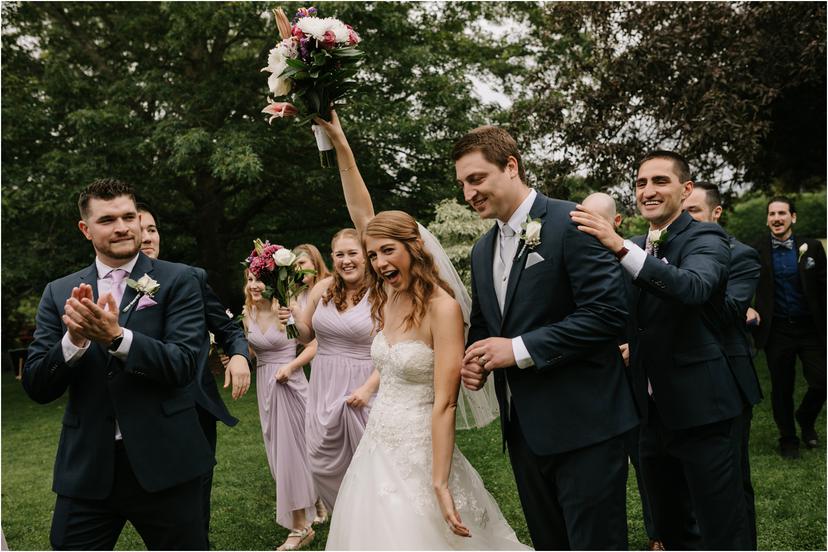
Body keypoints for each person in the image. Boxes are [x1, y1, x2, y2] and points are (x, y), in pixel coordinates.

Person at [310, 111, 528, 550]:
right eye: (372, 255)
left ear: (414, 248)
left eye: (388, 251)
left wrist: (440, 481)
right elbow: (360, 210)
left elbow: (446, 402)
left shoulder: (442, 309)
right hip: (376, 449)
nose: (379, 263)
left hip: (423, 449)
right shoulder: (385, 295)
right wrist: (340, 142)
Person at [454, 126, 638, 550]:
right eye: (463, 184)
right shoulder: (482, 250)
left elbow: (608, 314)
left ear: (512, 167)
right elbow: (487, 323)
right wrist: (477, 356)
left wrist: (518, 349)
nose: (469, 194)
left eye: (477, 179)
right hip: (524, 432)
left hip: (586, 425)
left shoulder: (572, 222)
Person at [570, 151, 751, 549]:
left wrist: (618, 246)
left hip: (703, 411)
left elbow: (693, 288)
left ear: (686, 190)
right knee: (669, 528)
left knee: (723, 527)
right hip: (647, 418)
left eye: (659, 181)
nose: (648, 191)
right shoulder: (635, 245)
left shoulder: (706, 237)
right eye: (640, 183)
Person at [22, 179, 212, 549]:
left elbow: (183, 365)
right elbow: (37, 386)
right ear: (86, 229)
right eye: (108, 219)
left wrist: (117, 338)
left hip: (168, 464)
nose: (123, 227)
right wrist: (73, 342)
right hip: (88, 469)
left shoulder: (180, 280)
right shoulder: (59, 292)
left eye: (129, 216)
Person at [135, 202, 251, 537]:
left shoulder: (188, 278)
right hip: (139, 411)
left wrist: (240, 355)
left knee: (194, 511)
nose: (146, 237)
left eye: (152, 229)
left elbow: (227, 329)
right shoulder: (112, 285)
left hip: (192, 410)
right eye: (140, 229)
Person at [682, 181, 762, 547]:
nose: (687, 219)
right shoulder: (668, 251)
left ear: (716, 213)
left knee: (731, 482)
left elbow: (729, 312)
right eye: (683, 212)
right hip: (681, 382)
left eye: (695, 211)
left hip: (727, 379)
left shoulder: (741, 255)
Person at [582, 192, 663, 551]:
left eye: (596, 221)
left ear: (615, 223)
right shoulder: (574, 259)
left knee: (646, 461)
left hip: (636, 378)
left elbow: (656, 315)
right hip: (594, 382)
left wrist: (636, 347)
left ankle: (658, 532)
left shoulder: (636, 259)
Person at [287, 228, 379, 513]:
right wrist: (290, 318)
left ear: (365, 257)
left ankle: (373, 522)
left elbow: (395, 349)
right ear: (332, 258)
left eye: (353, 253)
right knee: (320, 460)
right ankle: (347, 517)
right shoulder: (321, 289)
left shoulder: (382, 293)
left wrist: (368, 389)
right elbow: (304, 336)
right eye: (340, 254)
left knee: (370, 463)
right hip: (324, 385)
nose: (346, 260)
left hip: (365, 386)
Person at [242, 269, 317, 551]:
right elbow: (252, 350)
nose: (253, 285)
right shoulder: (247, 312)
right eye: (249, 280)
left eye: (258, 279)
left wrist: (291, 366)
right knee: (278, 455)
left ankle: (300, 528)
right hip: (265, 387)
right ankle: (309, 510)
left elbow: (313, 345)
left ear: (273, 283)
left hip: (291, 384)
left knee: (294, 455)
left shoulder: (287, 309)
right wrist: (233, 354)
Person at [752, 196, 826, 458]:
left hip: (809, 328)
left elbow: (823, 287)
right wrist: (747, 307)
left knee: (822, 381)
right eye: (772, 214)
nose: (777, 219)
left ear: (793, 217)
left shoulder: (812, 247)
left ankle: (805, 417)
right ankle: (788, 438)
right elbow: (745, 282)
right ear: (767, 219)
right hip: (778, 330)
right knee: (782, 386)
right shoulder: (757, 249)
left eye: (782, 213)